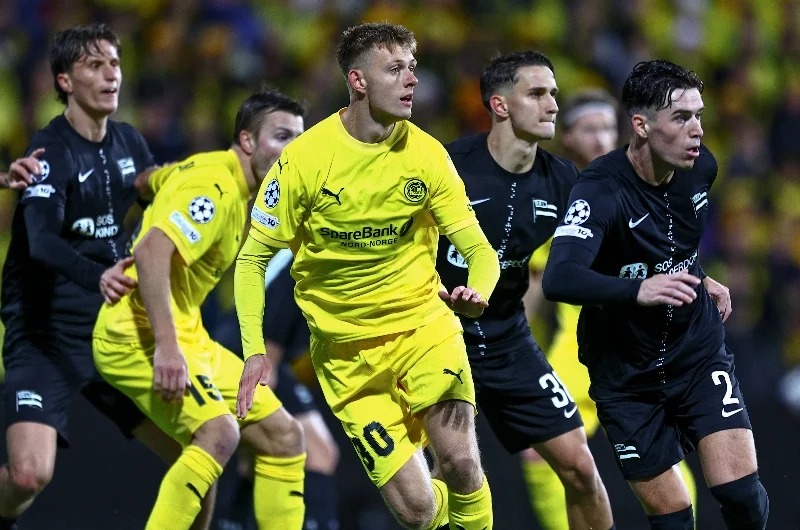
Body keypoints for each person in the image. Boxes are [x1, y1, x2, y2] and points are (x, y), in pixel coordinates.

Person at [235, 22, 500, 530]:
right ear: (357, 81)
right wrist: (253, 350)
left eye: (412, 68)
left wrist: (478, 292)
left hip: (424, 329)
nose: (411, 80)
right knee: (419, 513)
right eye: (394, 69)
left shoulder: (427, 155)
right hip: (347, 357)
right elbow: (251, 261)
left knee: (462, 463)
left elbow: (479, 251)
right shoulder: (304, 161)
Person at [0, 23, 213, 530]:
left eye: (115, 64)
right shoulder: (49, 152)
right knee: (28, 476)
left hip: (109, 333)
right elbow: (42, 240)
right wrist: (98, 275)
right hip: (45, 337)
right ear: (65, 81)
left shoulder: (129, 142)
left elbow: (154, 196)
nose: (111, 75)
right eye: (94, 65)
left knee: (203, 452)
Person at [543, 59, 769, 529]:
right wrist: (638, 289)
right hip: (626, 376)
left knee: (741, 494)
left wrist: (697, 274)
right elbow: (559, 278)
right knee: (673, 520)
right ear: (641, 126)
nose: (697, 130)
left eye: (699, 115)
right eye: (681, 118)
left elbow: (672, 242)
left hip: (696, 353)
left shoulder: (701, 168)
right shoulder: (599, 190)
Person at [92, 88, 308, 530]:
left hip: (189, 334)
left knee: (285, 436)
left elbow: (147, 181)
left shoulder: (211, 172)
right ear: (247, 140)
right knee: (219, 432)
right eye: (281, 137)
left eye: (298, 140)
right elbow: (152, 252)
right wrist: (167, 348)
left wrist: (154, 187)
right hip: (136, 336)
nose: (292, 152)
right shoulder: (218, 188)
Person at [435, 51, 614, 530]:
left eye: (553, 93)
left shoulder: (563, 181)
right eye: (536, 93)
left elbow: (624, 245)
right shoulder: (446, 165)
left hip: (507, 340)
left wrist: (694, 275)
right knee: (447, 473)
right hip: (437, 336)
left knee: (580, 469)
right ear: (500, 105)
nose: (552, 104)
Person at [521, 87, 698, 529]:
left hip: (638, 344)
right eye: (589, 129)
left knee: (661, 451)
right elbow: (537, 284)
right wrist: (513, 348)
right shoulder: (553, 199)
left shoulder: (644, 187)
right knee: (541, 451)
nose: (601, 138)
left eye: (606, 128)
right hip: (576, 349)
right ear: (566, 137)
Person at [210, 249, 341, 530]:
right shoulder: (304, 264)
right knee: (314, 452)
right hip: (249, 359)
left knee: (262, 457)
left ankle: (232, 521)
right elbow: (267, 348)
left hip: (246, 353)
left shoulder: (303, 252)